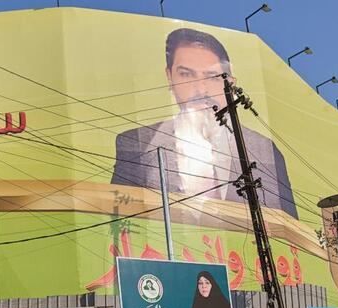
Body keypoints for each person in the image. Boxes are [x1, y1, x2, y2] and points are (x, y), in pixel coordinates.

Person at [110, 28, 297, 219]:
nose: (200, 89)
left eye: (213, 76)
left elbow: (291, 227)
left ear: (231, 84)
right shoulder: (136, 142)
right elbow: (118, 222)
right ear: (169, 77)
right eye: (186, 74)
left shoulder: (265, 151)